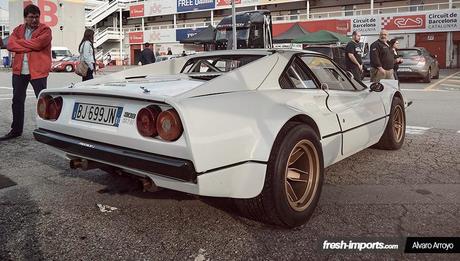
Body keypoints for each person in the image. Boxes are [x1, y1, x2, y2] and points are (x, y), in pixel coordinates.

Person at [1, 4, 52, 141]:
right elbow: (10, 45)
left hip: (38, 70)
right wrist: (28, 45)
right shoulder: (18, 29)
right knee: (17, 100)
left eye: (36, 17)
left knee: (43, 101)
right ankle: (16, 130)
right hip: (19, 71)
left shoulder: (45, 30)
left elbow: (39, 44)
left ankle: (48, 130)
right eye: (31, 17)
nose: (34, 20)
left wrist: (20, 44)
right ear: (25, 18)